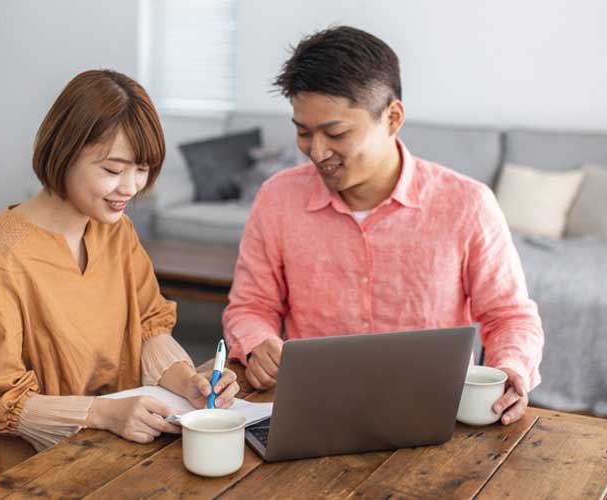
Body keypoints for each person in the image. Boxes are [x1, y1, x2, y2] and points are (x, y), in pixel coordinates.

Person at [223, 26, 544, 427]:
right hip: (316, 412)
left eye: (336, 133)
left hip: (437, 414)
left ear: (392, 118)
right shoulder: (277, 199)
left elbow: (509, 315)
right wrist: (258, 344)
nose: (317, 152)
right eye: (304, 132)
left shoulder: (467, 204)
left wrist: (512, 368)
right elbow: (251, 306)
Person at [0, 69, 239, 496]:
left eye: (142, 169)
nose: (131, 187)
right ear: (63, 152)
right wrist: (105, 414)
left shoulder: (114, 232)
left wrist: (186, 381)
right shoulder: (0, 258)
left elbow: (147, 326)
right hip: (10, 476)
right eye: (114, 169)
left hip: (97, 454)